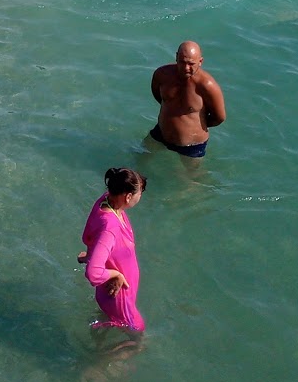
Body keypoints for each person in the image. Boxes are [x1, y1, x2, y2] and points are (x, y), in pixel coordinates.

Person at [80, 168, 147, 332]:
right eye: (140, 193)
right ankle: (103, 357)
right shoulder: (110, 228)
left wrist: (91, 254)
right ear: (128, 196)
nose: (140, 197)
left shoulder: (106, 200)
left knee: (110, 323)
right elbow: (93, 273)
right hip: (119, 297)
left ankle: (100, 340)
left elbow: (92, 233)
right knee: (138, 334)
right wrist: (116, 274)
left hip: (110, 294)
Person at [151, 41, 225, 158]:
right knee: (139, 159)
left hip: (191, 146)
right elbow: (157, 95)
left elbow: (219, 117)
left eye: (191, 64)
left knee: (191, 176)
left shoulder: (207, 85)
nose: (186, 68)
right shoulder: (161, 74)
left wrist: (194, 126)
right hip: (161, 132)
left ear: (200, 62)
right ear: (176, 57)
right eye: (182, 62)